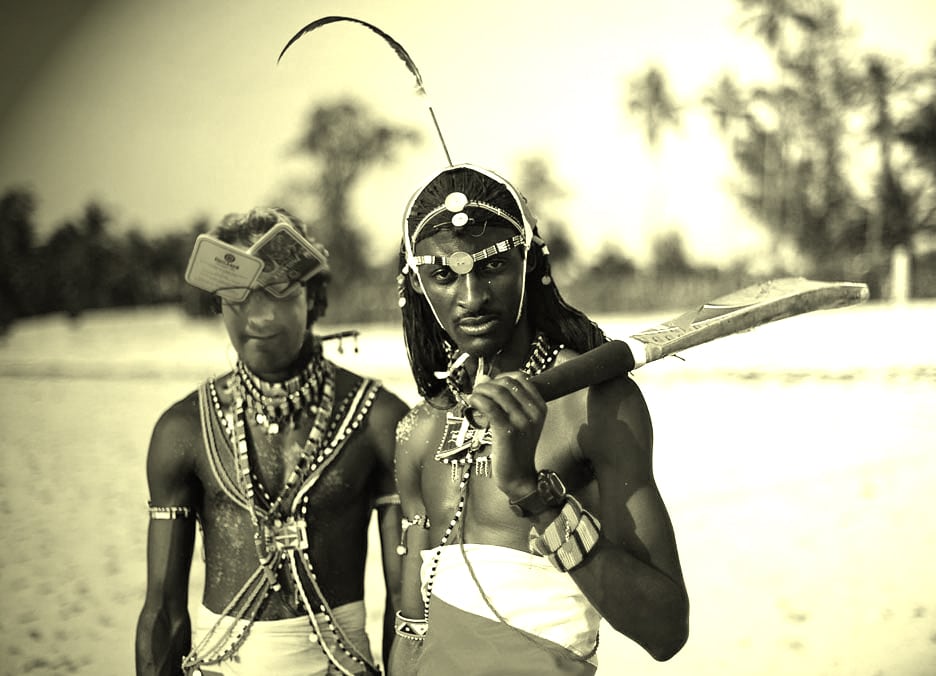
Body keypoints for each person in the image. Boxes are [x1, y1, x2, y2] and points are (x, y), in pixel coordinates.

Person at [388, 164, 689, 674]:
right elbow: (410, 630)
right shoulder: (422, 429)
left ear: (531, 264)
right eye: (443, 275)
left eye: (491, 266)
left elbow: (665, 630)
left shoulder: (594, 405)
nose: (472, 297)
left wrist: (534, 496)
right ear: (417, 285)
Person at [135, 207, 409, 676]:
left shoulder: (379, 421)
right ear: (217, 304)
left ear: (316, 300)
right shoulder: (184, 429)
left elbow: (409, 608)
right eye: (237, 293)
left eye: (279, 291)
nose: (258, 314)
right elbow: (163, 611)